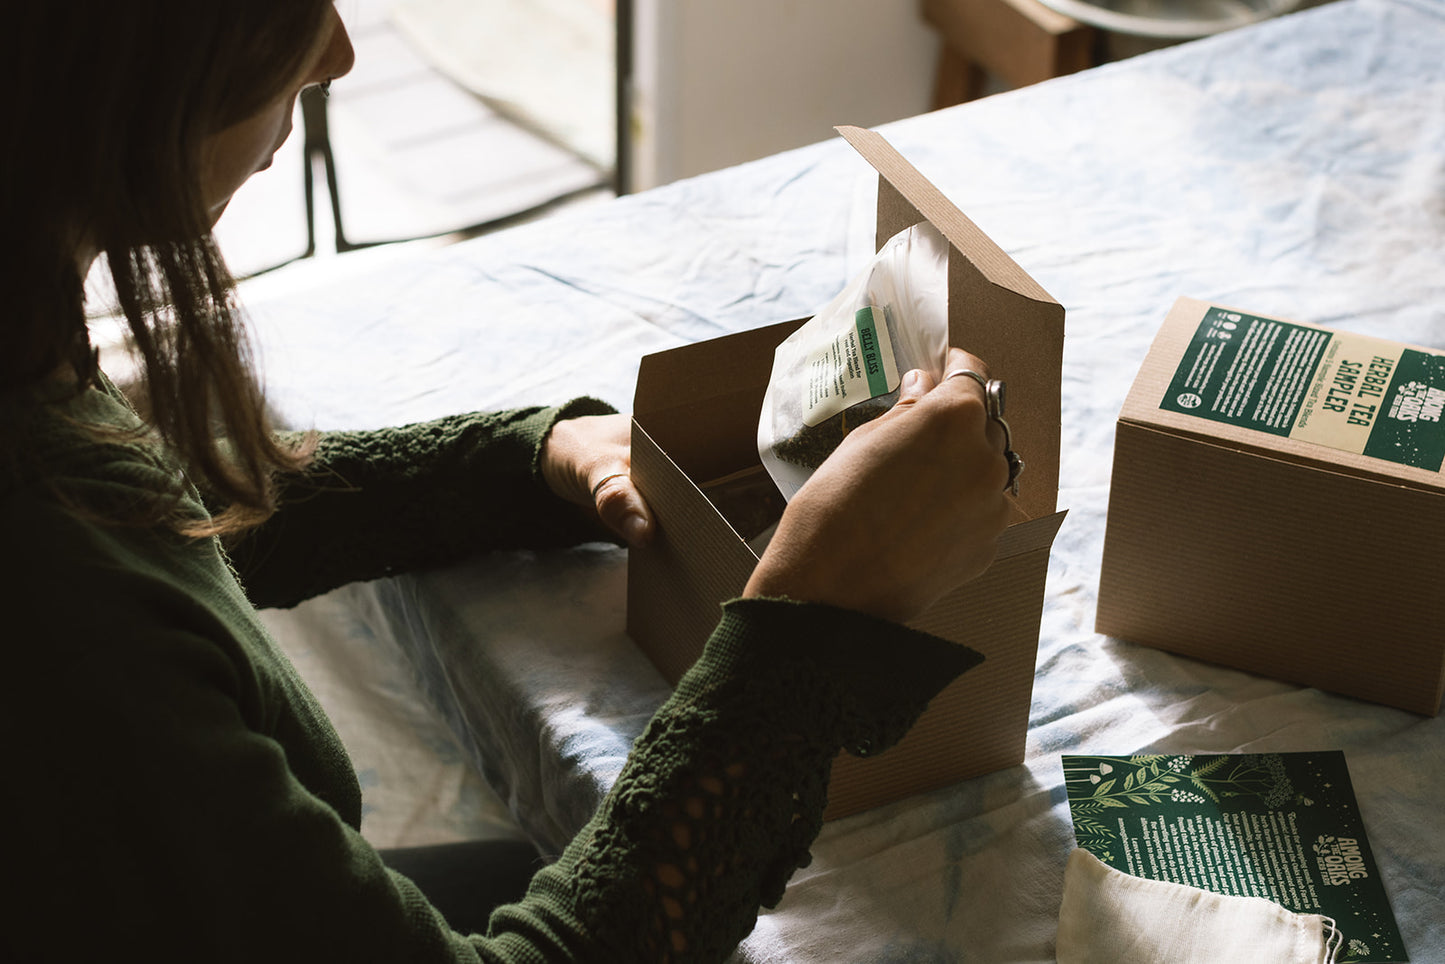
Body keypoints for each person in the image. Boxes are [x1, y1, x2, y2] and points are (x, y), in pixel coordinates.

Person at [1, 3, 1014, 961]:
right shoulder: (70, 637)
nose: (337, 54)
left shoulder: (34, 341)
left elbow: (169, 517)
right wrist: (807, 627)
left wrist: (521, 461)